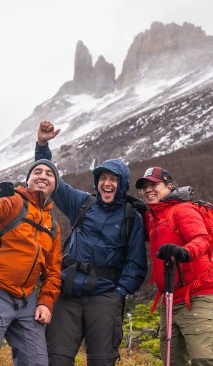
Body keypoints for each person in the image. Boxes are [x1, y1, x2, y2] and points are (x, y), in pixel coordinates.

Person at [34, 121, 148, 366]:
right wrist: (43, 145)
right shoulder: (83, 204)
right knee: (56, 359)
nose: (107, 183)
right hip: (68, 293)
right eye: (102, 178)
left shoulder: (131, 217)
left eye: (113, 179)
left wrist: (117, 294)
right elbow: (55, 184)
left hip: (105, 297)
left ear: (123, 184)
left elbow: (136, 264)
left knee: (102, 360)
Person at [0, 159, 62, 366]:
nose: (43, 176)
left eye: (49, 173)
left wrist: (45, 303)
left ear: (55, 184)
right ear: (28, 180)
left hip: (26, 300)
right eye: (37, 172)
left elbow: (53, 272)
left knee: (36, 361)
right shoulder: (15, 200)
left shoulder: (52, 225)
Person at [136, 167, 213, 366]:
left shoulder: (183, 210)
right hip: (170, 299)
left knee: (202, 359)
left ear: (169, 186)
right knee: (172, 361)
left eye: (154, 185)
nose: (148, 189)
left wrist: (185, 252)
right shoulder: (154, 217)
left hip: (196, 294)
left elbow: (202, 239)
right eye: (145, 186)